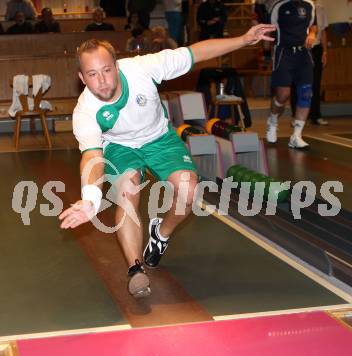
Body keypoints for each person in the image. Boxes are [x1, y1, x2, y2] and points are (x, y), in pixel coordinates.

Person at [58, 24, 275, 299]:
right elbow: (92, 156)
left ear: (117, 65)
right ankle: (136, 270)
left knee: (189, 190)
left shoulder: (143, 68)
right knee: (127, 192)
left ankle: (160, 233)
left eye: (106, 70)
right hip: (120, 146)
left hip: (159, 138)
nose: (102, 80)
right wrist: (90, 199)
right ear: (82, 77)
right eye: (92, 74)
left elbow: (196, 53)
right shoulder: (86, 110)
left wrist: (244, 39)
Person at [266, 0, 317, 149]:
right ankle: (273, 121)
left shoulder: (309, 5)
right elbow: (268, 29)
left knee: (306, 93)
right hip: (283, 53)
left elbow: (313, 25)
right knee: (283, 94)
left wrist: (312, 34)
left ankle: (296, 135)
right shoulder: (279, 6)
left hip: (303, 53)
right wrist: (266, 53)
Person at [310, 0, 328, 125]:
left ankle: (315, 115)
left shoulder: (320, 8)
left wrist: (325, 52)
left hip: (316, 49)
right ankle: (297, 116)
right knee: (299, 83)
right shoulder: (300, 6)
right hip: (302, 48)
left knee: (316, 83)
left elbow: (323, 31)